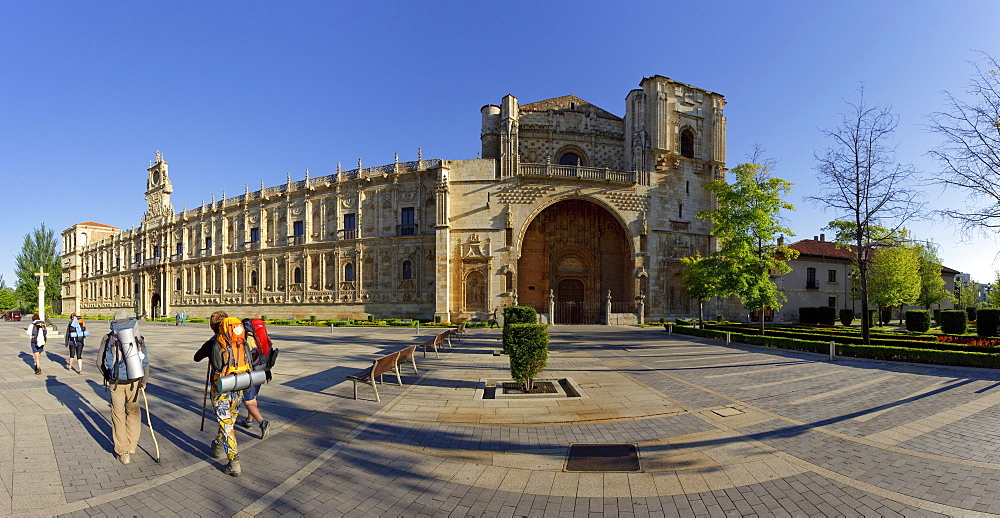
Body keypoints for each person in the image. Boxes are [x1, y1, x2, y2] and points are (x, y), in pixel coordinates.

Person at [194, 311, 244, 476]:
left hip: (221, 388)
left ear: (212, 326)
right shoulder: (239, 340)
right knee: (229, 421)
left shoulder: (214, 342)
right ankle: (217, 444)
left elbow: (196, 357)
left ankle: (233, 461)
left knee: (226, 424)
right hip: (239, 386)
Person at [96, 310, 149, 465]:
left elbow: (99, 362)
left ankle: (123, 452)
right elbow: (145, 361)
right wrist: (143, 381)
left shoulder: (108, 338)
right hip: (134, 380)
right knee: (133, 412)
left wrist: (108, 376)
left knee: (118, 415)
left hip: (116, 381)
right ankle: (132, 445)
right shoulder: (138, 337)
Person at [238, 326, 272, 439]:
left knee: (248, 402)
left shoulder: (243, 339)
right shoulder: (260, 338)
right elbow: (267, 355)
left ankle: (262, 422)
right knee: (253, 398)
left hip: (249, 374)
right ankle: (249, 420)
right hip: (261, 371)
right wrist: (268, 373)